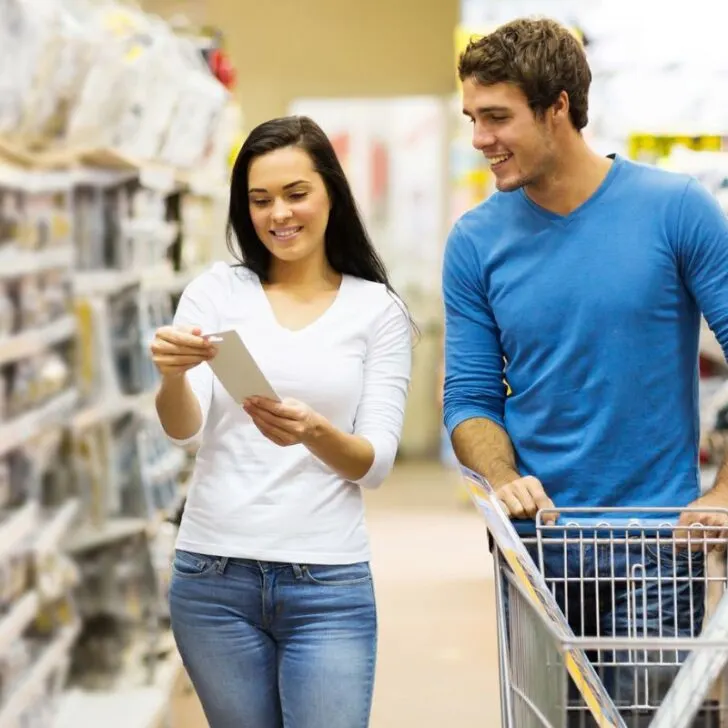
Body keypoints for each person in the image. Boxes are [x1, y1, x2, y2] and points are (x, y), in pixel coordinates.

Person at [441, 16, 728, 724]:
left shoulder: (675, 211)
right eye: (473, 118)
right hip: (538, 552)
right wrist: (505, 480)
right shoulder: (476, 241)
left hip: (654, 548)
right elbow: (470, 399)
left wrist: (725, 490)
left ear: (559, 107)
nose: (480, 139)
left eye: (498, 117)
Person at [150, 115, 413, 728]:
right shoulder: (218, 291)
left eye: (297, 194)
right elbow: (181, 427)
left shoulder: (376, 311)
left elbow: (375, 464)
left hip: (326, 582)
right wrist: (168, 373)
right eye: (260, 200)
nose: (279, 215)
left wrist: (313, 432)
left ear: (331, 193)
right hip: (212, 576)